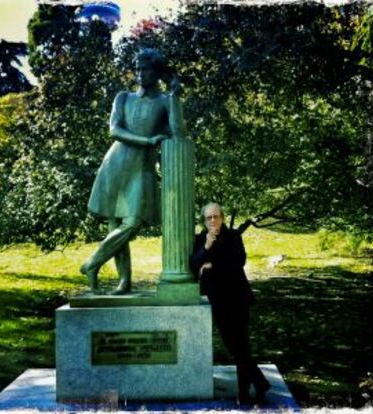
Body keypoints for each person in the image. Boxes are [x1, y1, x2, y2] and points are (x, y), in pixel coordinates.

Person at [81, 48, 182, 293]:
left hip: (142, 169)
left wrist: (175, 99)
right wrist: (146, 141)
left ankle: (92, 262)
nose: (139, 74)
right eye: (137, 69)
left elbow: (178, 135)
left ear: (156, 72)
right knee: (115, 227)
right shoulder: (123, 98)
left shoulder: (164, 101)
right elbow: (114, 130)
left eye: (145, 69)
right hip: (115, 164)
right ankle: (124, 282)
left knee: (133, 222)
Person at [189, 202, 271, 404]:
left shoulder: (234, 236)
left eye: (216, 216)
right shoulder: (200, 239)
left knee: (241, 344)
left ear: (222, 217)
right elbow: (193, 265)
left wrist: (211, 265)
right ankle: (259, 382)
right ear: (204, 220)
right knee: (233, 345)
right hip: (217, 299)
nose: (213, 220)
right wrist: (206, 247)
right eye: (209, 217)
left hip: (238, 296)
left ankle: (244, 391)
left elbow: (238, 261)